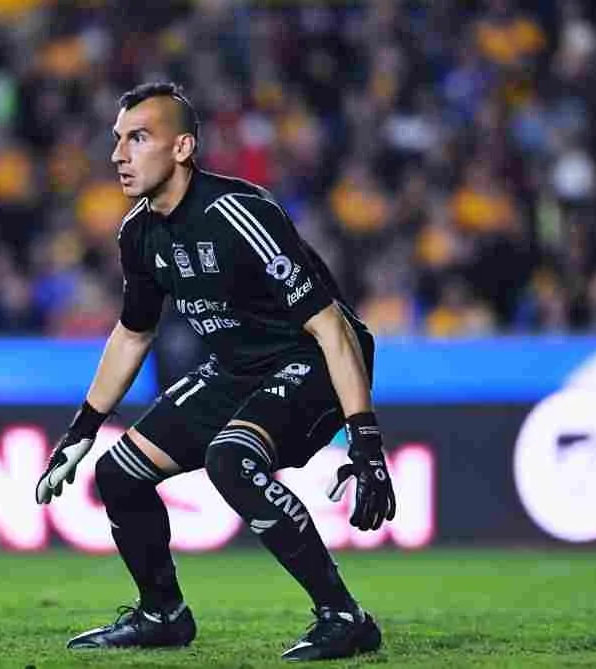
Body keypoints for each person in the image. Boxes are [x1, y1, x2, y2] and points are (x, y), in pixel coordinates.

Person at [35, 83, 397, 662]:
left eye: (138, 138)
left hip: (310, 359)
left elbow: (333, 328)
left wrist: (367, 443)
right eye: (117, 140)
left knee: (231, 458)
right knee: (118, 474)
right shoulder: (138, 233)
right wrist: (83, 428)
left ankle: (344, 617)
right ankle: (162, 615)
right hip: (234, 368)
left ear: (182, 148)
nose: (118, 155)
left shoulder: (238, 213)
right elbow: (133, 333)